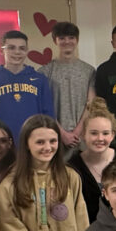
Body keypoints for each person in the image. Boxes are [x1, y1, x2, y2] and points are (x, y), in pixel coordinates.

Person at [0, 30, 55, 145]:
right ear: (1, 50)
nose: (17, 52)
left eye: (22, 48)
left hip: (33, 144)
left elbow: (48, 116)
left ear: (26, 51)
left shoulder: (39, 80)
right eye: (11, 48)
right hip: (2, 145)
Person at [68, 97, 116, 223]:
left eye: (105, 133)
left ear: (113, 135)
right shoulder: (72, 168)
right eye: (94, 133)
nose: (100, 138)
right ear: (83, 134)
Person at [40, 22, 96, 154]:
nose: (67, 42)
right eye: (62, 38)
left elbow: (91, 103)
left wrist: (78, 130)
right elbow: (44, 107)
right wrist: (62, 133)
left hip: (82, 136)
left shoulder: (89, 71)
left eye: (71, 38)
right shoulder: (45, 72)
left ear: (77, 40)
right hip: (55, 136)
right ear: (55, 40)